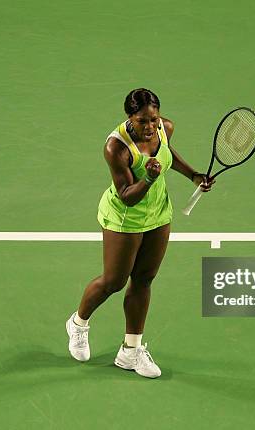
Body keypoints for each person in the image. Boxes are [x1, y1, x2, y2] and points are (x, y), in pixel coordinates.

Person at [66, 88, 215, 378]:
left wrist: (194, 175)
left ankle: (130, 351)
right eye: (141, 121)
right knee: (114, 281)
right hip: (124, 218)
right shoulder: (116, 148)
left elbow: (168, 152)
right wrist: (149, 177)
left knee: (144, 280)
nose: (149, 127)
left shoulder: (164, 128)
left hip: (159, 214)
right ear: (129, 117)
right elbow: (127, 195)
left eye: (153, 120)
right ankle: (78, 323)